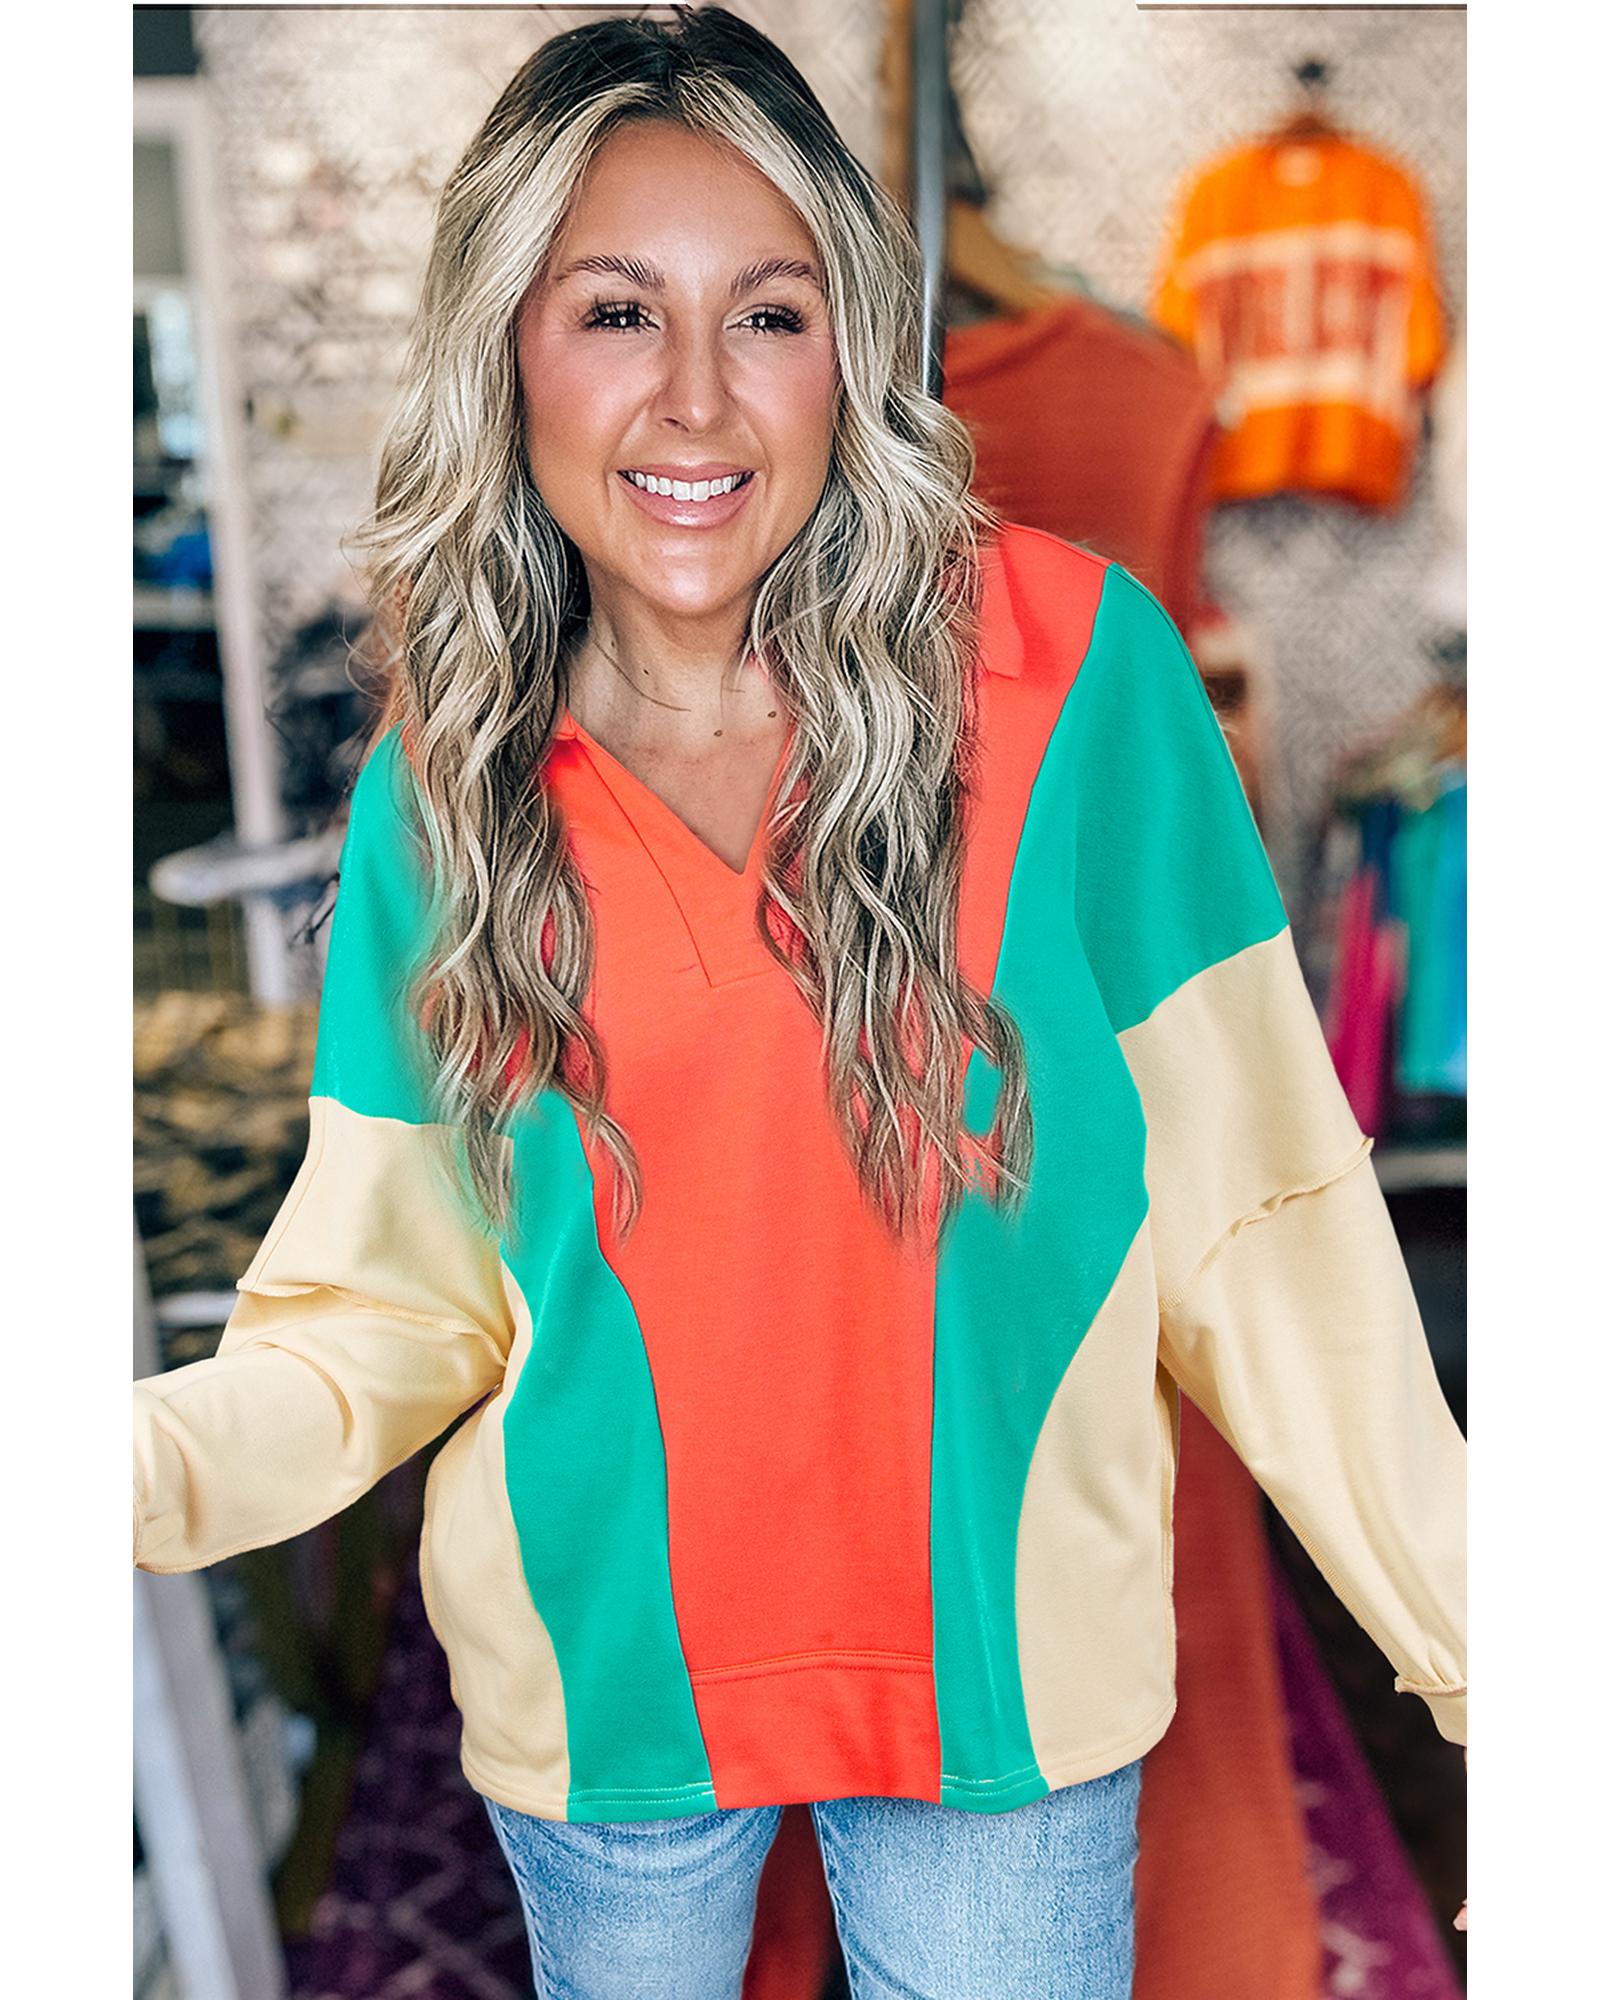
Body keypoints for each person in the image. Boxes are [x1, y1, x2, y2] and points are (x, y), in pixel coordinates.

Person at [131, 10, 1467, 1996]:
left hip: (999, 1685)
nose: (696, 399)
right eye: (614, 313)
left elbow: (1262, 1220)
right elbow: (388, 1310)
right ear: (507, 348)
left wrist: (1487, 1647)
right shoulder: (448, 789)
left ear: (849, 348)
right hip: (603, 1699)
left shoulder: (1074, 677)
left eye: (767, 314)